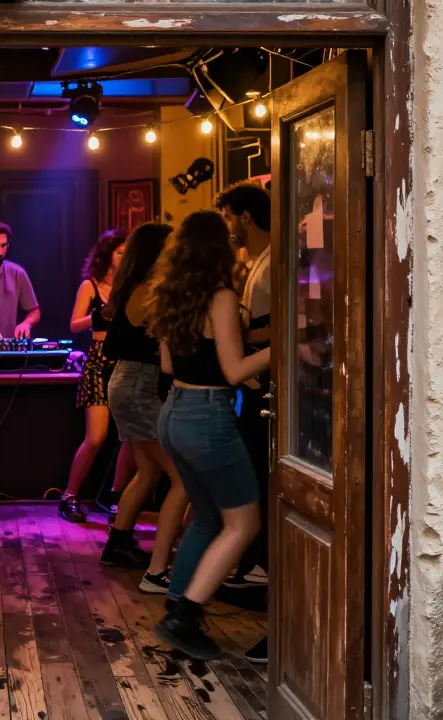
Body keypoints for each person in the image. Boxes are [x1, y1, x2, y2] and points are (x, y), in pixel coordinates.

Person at [149, 210, 271, 661]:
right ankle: (185, 615)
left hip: (174, 413)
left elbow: (168, 365)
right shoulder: (219, 296)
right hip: (207, 418)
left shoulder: (170, 295)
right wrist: (285, 349)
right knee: (245, 524)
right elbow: (235, 370)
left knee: (205, 519)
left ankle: (179, 607)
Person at [99, 223, 186, 584]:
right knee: (182, 477)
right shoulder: (150, 290)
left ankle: (118, 543)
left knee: (148, 472)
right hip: (136, 384)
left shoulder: (135, 287)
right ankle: (169, 555)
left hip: (129, 381)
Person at [217, 180, 272, 664]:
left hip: (266, 384)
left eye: (229, 216)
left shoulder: (274, 261)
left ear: (245, 217)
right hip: (251, 384)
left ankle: (262, 572)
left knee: (260, 482)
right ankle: (255, 567)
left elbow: (288, 323)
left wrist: (237, 331)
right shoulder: (251, 264)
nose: (227, 226)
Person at [58, 229, 132, 523]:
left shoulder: (130, 286)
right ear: (106, 256)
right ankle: (69, 497)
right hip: (99, 362)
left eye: (128, 253)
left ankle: (114, 497)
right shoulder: (90, 286)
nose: (124, 258)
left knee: (130, 436)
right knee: (96, 437)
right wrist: (99, 315)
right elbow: (74, 325)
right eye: (119, 253)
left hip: (125, 362)